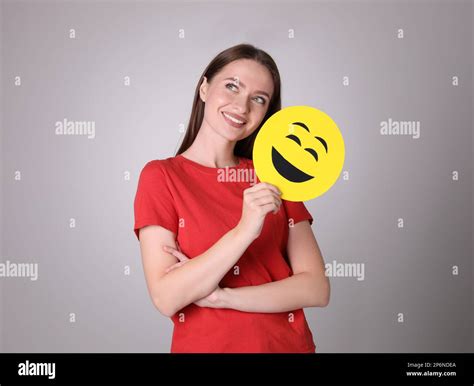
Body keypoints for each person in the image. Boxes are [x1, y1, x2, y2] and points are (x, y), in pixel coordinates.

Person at [133, 43, 330, 353]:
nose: (242, 106)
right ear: (204, 88)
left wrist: (222, 297)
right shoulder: (161, 177)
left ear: (267, 112)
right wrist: (245, 230)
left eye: (259, 99)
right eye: (232, 87)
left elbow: (316, 288)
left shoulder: (275, 176)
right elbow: (167, 296)